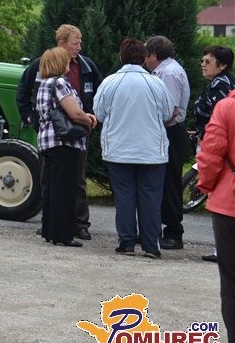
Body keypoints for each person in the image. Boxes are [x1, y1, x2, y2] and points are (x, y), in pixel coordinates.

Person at [15, 24, 102, 240]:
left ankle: (75, 223)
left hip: (68, 132)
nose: (79, 47)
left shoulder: (86, 66)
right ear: (61, 43)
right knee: (55, 181)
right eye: (75, 43)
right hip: (62, 132)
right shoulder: (49, 73)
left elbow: (99, 92)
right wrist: (29, 117)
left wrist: (92, 115)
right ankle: (58, 226)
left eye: (80, 43)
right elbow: (23, 92)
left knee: (74, 181)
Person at [94, 38, 172, 258]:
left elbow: (99, 113)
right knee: (151, 198)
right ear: (144, 58)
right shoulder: (156, 83)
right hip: (151, 151)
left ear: (121, 57)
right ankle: (151, 245)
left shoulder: (110, 82)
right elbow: (167, 113)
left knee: (124, 197)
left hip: (119, 150)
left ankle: (126, 242)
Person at [34, 47, 97, 246]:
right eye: (66, 60)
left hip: (47, 140)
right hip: (64, 141)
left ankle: (49, 230)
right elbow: (74, 112)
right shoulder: (60, 82)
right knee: (65, 188)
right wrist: (89, 120)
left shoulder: (44, 83)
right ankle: (63, 234)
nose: (69, 63)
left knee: (51, 188)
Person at [195, 88, 235, 343]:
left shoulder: (227, 108)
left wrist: (206, 185)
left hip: (230, 202)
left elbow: (210, 154)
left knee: (232, 282)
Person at [144, 35, 191, 250]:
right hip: (167, 130)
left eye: (146, 54)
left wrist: (153, 125)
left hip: (170, 130)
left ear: (154, 55)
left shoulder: (168, 73)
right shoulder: (164, 70)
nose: (144, 59)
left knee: (170, 181)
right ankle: (159, 229)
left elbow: (171, 110)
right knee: (162, 181)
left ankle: (173, 232)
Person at [194, 46, 235, 143]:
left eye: (208, 61)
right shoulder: (224, 81)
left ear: (222, 65)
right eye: (202, 60)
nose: (203, 64)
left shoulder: (220, 86)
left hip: (215, 141)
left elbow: (218, 120)